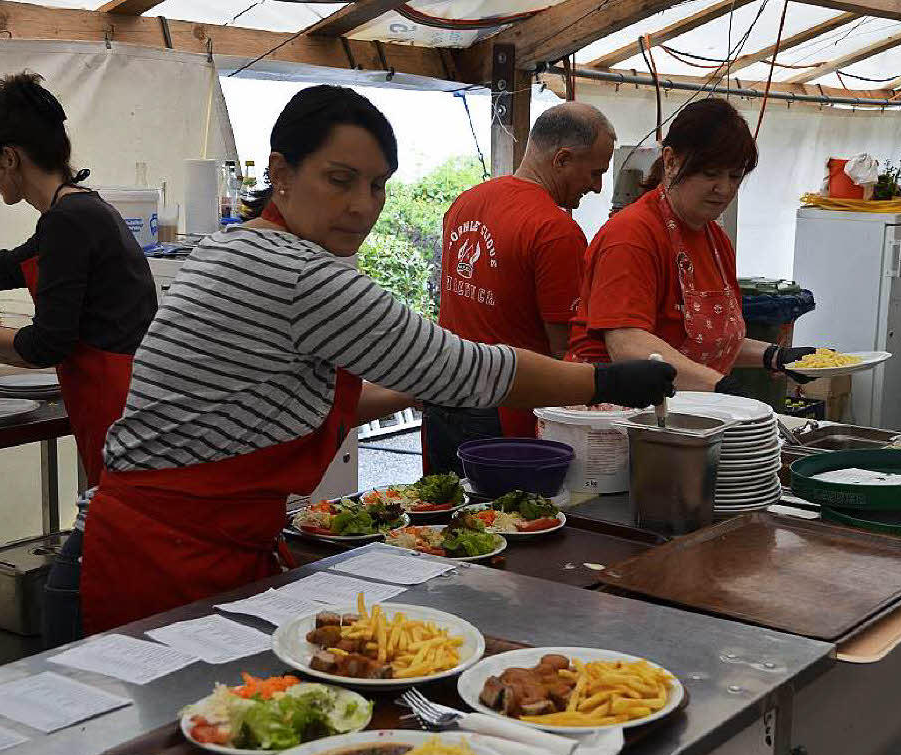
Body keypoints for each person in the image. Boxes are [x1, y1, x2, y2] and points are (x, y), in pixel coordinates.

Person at [45, 85, 676, 641]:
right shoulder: (300, 273)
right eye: (339, 179)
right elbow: (468, 368)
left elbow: (319, 393)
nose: (362, 206)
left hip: (170, 546)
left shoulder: (237, 245)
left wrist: (415, 391)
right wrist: (606, 379)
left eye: (378, 186)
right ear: (281, 171)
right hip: (152, 563)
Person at [0, 73, 157, 484]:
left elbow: (44, 346)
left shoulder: (69, 221)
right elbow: (5, 267)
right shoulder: (79, 210)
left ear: (9, 158)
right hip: (123, 408)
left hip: (120, 412)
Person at [566, 98, 814, 393]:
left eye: (735, 177)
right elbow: (628, 344)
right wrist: (718, 386)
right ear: (671, 162)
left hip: (681, 409)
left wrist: (775, 356)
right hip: (616, 414)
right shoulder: (631, 236)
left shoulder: (715, 239)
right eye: (711, 174)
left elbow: (707, 341)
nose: (724, 189)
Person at [424, 102, 616, 475]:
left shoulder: (467, 201)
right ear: (561, 159)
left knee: (440, 516)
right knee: (506, 526)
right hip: (503, 415)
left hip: (442, 393)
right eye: (594, 173)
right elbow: (566, 350)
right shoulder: (555, 230)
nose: (597, 187)